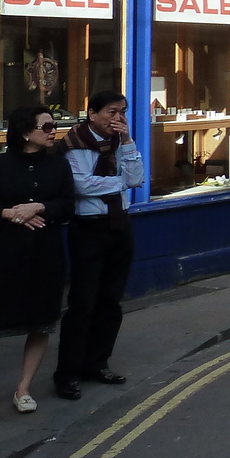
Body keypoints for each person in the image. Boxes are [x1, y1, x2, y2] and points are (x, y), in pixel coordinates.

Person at [0, 106, 75, 421]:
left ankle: (23, 390)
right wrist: (8, 213)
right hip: (3, 258)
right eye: (47, 126)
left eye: (54, 126)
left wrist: (41, 206)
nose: (53, 131)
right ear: (25, 132)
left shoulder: (59, 166)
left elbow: (68, 206)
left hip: (45, 256)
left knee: (40, 325)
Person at [54, 91, 143, 401]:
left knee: (110, 301)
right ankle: (67, 373)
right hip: (89, 229)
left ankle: (97, 363)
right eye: (111, 112)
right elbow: (80, 185)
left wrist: (129, 142)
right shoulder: (73, 143)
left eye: (122, 112)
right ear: (92, 114)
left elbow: (138, 176)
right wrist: (121, 183)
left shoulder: (120, 142)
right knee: (83, 303)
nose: (117, 118)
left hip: (120, 227)